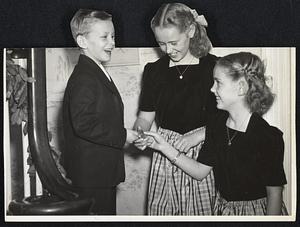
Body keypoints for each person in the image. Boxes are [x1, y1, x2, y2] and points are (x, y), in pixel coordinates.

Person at [144, 52, 288, 215]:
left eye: (218, 83)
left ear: (241, 87)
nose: (212, 89)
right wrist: (163, 147)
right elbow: (199, 171)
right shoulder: (216, 125)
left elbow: (275, 194)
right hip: (223, 211)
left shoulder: (267, 136)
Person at [133, 3, 218, 215]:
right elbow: (145, 117)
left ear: (190, 31)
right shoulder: (154, 71)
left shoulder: (215, 67)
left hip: (203, 153)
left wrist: (198, 135)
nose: (168, 50)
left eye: (173, 42)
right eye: (161, 44)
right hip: (165, 150)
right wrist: (140, 133)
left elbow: (228, 119)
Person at [62, 9, 138, 215]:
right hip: (92, 177)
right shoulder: (85, 77)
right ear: (82, 41)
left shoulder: (95, 71)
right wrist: (124, 135)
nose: (112, 42)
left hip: (100, 174)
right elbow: (84, 124)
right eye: (104, 37)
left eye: (113, 36)